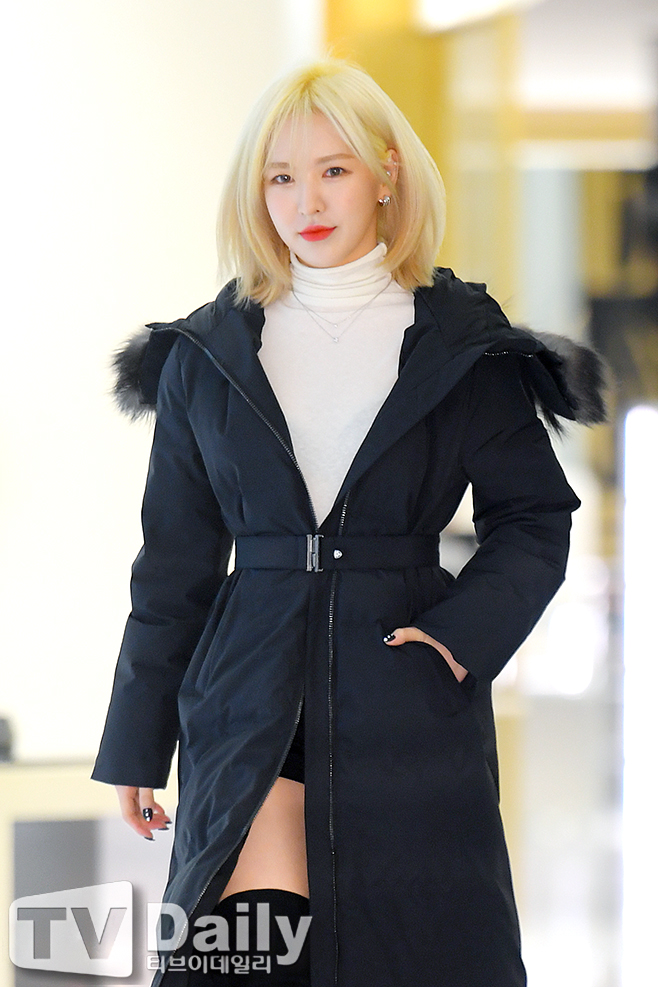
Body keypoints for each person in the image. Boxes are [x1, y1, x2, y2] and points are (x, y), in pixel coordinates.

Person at [92, 59, 606, 987]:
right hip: (247, 698)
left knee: (417, 955)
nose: (307, 201)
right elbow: (173, 561)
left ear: (386, 173)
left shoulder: (464, 348)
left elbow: (536, 516)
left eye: (334, 170)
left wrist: (456, 639)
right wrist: (136, 735)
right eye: (280, 177)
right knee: (239, 958)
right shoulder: (206, 353)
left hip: (404, 702)